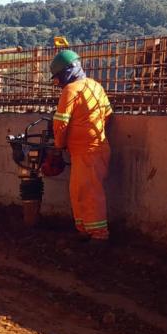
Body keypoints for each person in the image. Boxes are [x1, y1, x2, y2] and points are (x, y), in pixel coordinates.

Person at [50, 49, 113, 243]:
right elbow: (108, 114)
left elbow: (60, 124)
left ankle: (99, 235)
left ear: (66, 72)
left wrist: (59, 145)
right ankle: (84, 229)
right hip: (94, 149)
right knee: (78, 191)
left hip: (87, 152)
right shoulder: (95, 86)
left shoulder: (71, 90)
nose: (58, 83)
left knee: (90, 193)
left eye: (57, 78)